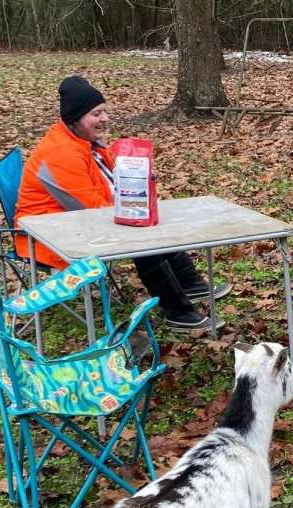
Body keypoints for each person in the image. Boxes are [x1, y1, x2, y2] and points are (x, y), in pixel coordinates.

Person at [15, 76, 229, 332]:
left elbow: (111, 184)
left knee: (148, 220)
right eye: (96, 113)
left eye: (105, 111)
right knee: (138, 236)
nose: (105, 118)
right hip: (47, 234)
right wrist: (131, 209)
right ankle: (178, 311)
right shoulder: (62, 153)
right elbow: (92, 208)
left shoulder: (84, 142)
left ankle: (190, 285)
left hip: (71, 220)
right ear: (75, 118)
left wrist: (138, 189)